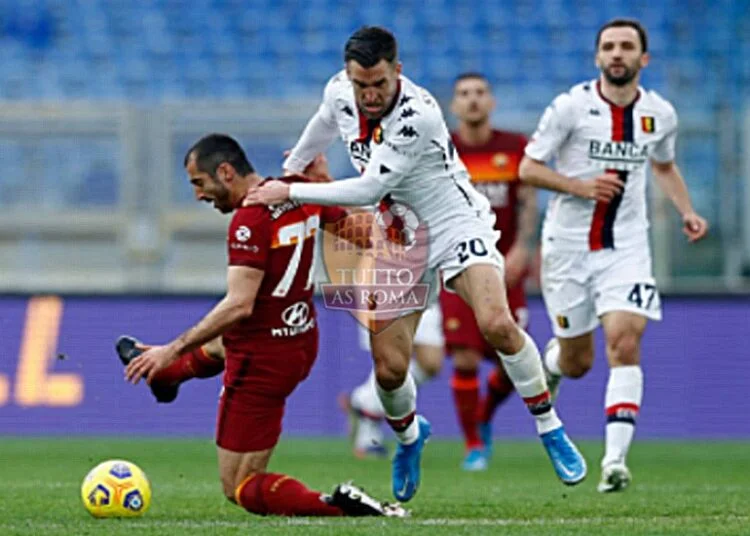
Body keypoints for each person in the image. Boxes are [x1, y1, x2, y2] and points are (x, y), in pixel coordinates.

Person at [245, 25, 587, 501]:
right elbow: (324, 121)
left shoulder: (418, 114)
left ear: (397, 72)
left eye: (379, 84)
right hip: (399, 234)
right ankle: (408, 437)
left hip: (454, 223)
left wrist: (291, 190)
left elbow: (367, 189)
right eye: (360, 84)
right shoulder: (340, 91)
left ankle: (550, 427)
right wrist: (292, 167)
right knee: (389, 370)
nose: (368, 95)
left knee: (496, 323)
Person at [122, 134, 406, 518]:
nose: (199, 196)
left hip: (263, 360)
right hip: (301, 338)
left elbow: (239, 304)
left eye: (199, 183)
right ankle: (165, 376)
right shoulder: (298, 192)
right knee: (224, 342)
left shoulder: (250, 218)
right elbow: (363, 234)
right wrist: (323, 187)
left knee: (239, 486)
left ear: (225, 172)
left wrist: (171, 347)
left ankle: (339, 506)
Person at [519, 19, 708, 493]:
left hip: (625, 247)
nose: (617, 54)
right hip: (568, 249)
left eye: (627, 47)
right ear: (597, 57)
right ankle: (556, 363)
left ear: (644, 59)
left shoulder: (660, 113)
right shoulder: (570, 108)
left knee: (624, 340)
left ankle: (614, 463)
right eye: (609, 47)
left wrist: (686, 210)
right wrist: (578, 186)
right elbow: (528, 167)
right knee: (579, 361)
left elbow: (663, 165)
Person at [441, 72, 537, 471]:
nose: (473, 100)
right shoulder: (441, 147)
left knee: (510, 360)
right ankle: (473, 443)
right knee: (464, 358)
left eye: (480, 93)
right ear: (454, 105)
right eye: (465, 94)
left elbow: (528, 203)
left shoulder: (515, 147)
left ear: (492, 101)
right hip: (459, 263)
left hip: (505, 267)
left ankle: (483, 414)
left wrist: (523, 250)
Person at [339, 304, 444, 459]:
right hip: (387, 290)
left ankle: (364, 400)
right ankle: (367, 432)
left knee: (430, 363)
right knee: (390, 360)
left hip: (426, 291)